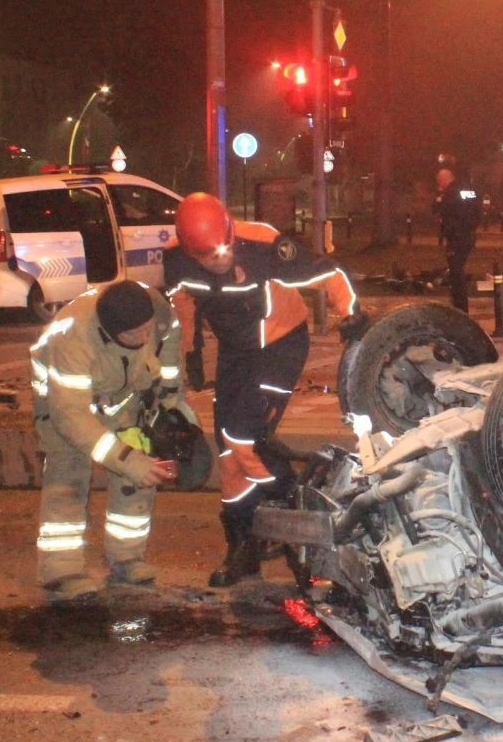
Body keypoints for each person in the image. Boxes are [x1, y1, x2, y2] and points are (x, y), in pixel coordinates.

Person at [165, 192, 365, 586]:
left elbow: (328, 273)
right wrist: (191, 351)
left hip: (280, 343)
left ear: (230, 231)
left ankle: (298, 506)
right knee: (228, 451)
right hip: (235, 351)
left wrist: (351, 312)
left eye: (225, 249)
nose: (221, 260)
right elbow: (183, 301)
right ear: (190, 251)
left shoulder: (262, 244)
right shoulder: (176, 259)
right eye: (209, 256)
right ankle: (243, 544)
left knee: (244, 438)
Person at [28, 279, 192, 601]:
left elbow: (170, 339)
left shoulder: (154, 308)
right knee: (68, 480)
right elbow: (71, 416)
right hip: (64, 404)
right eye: (134, 335)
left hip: (124, 397)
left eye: (146, 330)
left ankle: (127, 557)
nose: (143, 338)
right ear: (109, 330)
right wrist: (125, 459)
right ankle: (60, 571)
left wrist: (171, 400)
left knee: (139, 477)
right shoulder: (72, 337)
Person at [432, 164, 481, 312]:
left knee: (456, 272)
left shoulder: (449, 193)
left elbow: (436, 208)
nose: (438, 183)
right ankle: (459, 303)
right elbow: (476, 209)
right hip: (468, 234)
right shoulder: (468, 189)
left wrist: (440, 197)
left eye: (439, 180)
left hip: (456, 237)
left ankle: (460, 306)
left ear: (444, 179)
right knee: (458, 269)